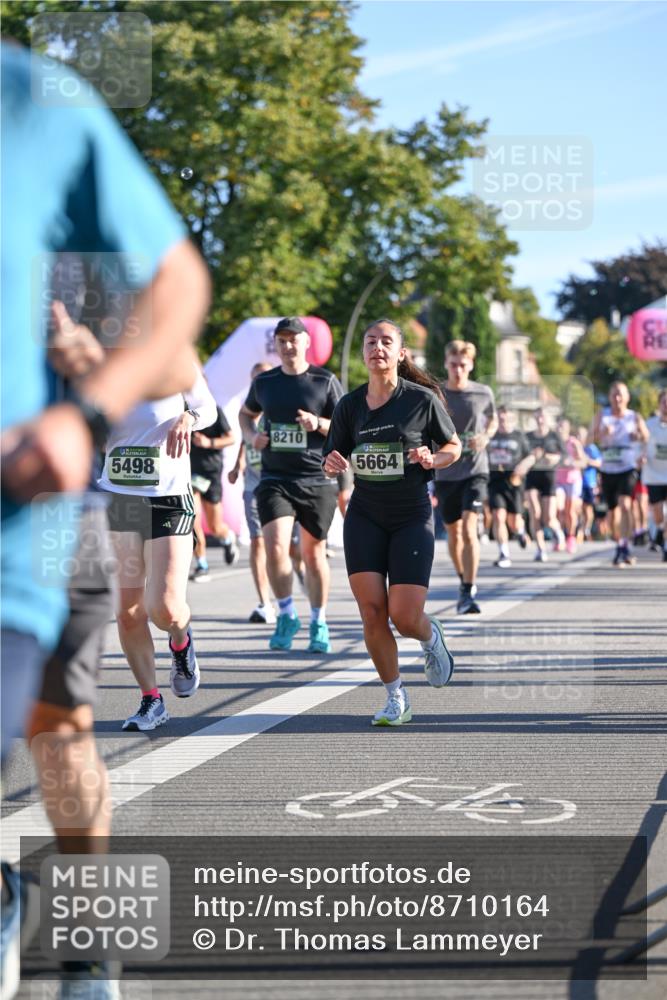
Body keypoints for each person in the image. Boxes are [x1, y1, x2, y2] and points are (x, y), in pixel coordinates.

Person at [1, 41, 210, 999]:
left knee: (59, 727)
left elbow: (174, 363)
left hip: (45, 514)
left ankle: (91, 943)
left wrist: (84, 371)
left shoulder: (41, 122)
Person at [322, 319, 461, 725]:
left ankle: (430, 637)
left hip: (410, 515)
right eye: (370, 341)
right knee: (371, 611)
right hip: (365, 513)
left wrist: (434, 459)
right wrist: (332, 462)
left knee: (403, 616)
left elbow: (453, 446)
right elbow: (333, 457)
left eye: (386, 341)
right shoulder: (349, 405)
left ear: (401, 353)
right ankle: (395, 696)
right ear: (363, 352)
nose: (377, 347)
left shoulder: (420, 400)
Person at [99, 363, 217, 730]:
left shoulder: (175, 355)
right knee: (128, 610)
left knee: (163, 609)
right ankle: (151, 700)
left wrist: (188, 417)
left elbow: (209, 408)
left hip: (167, 498)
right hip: (118, 497)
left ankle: (180, 640)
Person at [239, 317, 343, 653]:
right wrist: (252, 436)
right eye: (281, 341)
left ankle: (319, 621)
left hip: (316, 478)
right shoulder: (266, 381)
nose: (287, 346)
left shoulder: (324, 381)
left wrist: (318, 423)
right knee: (276, 549)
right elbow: (245, 414)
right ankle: (286, 614)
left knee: (313, 555)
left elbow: (345, 428)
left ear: (306, 342)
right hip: (275, 478)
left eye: (293, 340)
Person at [434, 340, 497, 613]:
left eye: (463, 365)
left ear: (471, 365)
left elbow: (492, 419)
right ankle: (463, 581)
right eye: (453, 364)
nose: (458, 370)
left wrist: (485, 436)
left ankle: (469, 589)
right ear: (446, 364)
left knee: (470, 527)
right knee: (454, 533)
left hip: (475, 470)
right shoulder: (436, 394)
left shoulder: (483, 393)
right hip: (446, 472)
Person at [228, 362, 276, 623]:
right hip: (253, 484)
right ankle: (264, 603)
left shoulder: (279, 405)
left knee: (287, 549)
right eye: (255, 378)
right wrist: (238, 465)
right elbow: (246, 441)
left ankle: (291, 586)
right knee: (258, 542)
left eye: (263, 377)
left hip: (281, 483)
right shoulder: (248, 410)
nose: (259, 383)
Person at [592, 382, 649, 567]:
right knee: (612, 511)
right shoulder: (603, 415)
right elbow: (589, 438)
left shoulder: (634, 417)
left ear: (627, 397)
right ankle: (619, 543)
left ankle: (625, 545)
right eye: (614, 395)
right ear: (609, 397)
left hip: (627, 466)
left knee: (626, 505)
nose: (617, 398)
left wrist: (638, 438)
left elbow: (647, 438)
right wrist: (601, 433)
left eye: (621, 395)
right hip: (608, 468)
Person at [190, 402, 238, 581]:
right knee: (191, 519)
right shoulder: (178, 409)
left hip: (210, 473)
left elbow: (231, 438)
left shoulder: (213, 410)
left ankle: (227, 538)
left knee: (214, 526)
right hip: (187, 473)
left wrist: (208, 442)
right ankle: (202, 564)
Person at [486, 407, 534, 568]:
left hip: (514, 483)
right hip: (495, 482)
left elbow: (531, 457)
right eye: (500, 419)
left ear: (512, 420)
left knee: (514, 521)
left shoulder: (519, 436)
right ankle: (504, 553)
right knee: (498, 516)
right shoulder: (491, 436)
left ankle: (520, 532)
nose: (503, 422)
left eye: (506, 419)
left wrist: (523, 465)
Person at [525, 408, 565, 561]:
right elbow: (520, 455)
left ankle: (558, 531)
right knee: (535, 514)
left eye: (542, 417)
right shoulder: (528, 437)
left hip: (549, 478)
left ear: (547, 419)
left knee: (548, 518)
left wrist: (552, 458)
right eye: (537, 417)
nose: (540, 420)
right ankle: (541, 549)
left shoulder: (555, 436)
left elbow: (564, 457)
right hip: (532, 477)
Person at [555, 416, 586, 554]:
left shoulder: (573, 443)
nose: (560, 429)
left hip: (573, 480)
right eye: (559, 426)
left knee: (570, 511)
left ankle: (571, 537)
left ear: (568, 429)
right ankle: (559, 536)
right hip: (558, 480)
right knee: (558, 507)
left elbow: (583, 462)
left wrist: (571, 463)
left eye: (563, 426)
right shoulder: (553, 443)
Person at [644, 387, 667, 561]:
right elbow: (640, 444)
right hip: (653, 476)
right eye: (664, 402)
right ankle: (659, 529)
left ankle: (665, 546)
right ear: (659, 404)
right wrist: (640, 457)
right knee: (659, 515)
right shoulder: (649, 424)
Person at [577, 425, 602, 541]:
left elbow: (600, 463)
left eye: (581, 435)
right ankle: (580, 529)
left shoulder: (591, 448)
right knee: (577, 508)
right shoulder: (574, 447)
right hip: (577, 482)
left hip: (589, 482)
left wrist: (587, 461)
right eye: (578, 435)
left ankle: (586, 529)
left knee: (588, 508)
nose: (579, 437)